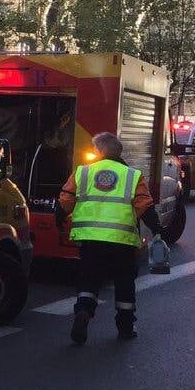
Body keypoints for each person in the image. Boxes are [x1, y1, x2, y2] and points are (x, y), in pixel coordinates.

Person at [56, 132, 163, 344]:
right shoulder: (133, 175)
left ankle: (84, 312)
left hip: (91, 240)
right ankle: (125, 327)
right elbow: (145, 207)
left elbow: (65, 201)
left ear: (99, 151)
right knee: (124, 283)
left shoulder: (82, 172)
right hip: (122, 242)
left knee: (89, 278)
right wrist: (158, 229)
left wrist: (58, 219)